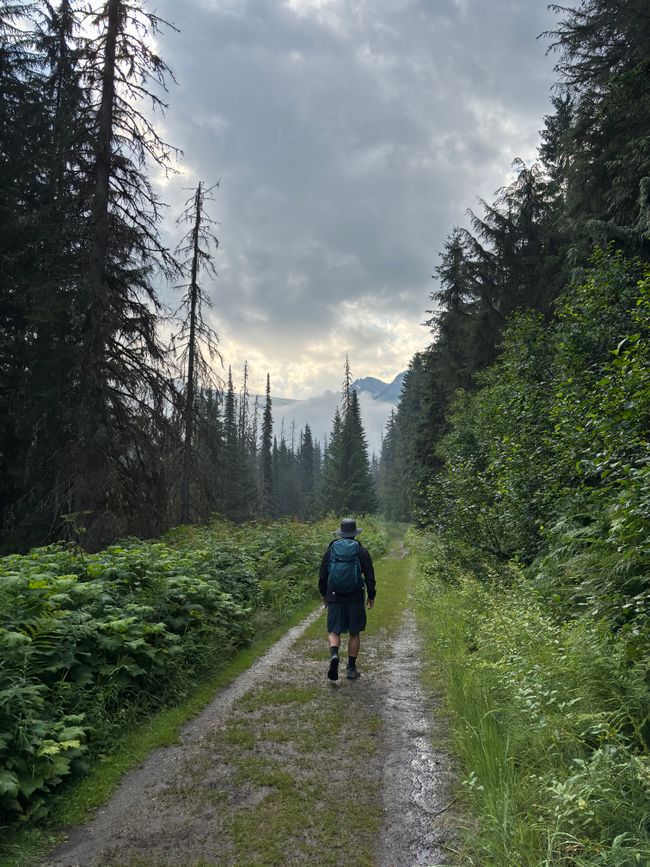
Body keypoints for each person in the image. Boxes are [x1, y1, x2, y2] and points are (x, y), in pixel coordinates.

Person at [319, 517, 376, 681]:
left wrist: (324, 594)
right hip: (356, 596)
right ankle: (351, 668)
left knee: (333, 630)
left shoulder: (331, 549)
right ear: (354, 534)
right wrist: (371, 595)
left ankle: (335, 654)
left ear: (341, 533)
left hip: (335, 595)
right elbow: (370, 576)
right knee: (354, 632)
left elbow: (323, 574)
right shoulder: (361, 551)